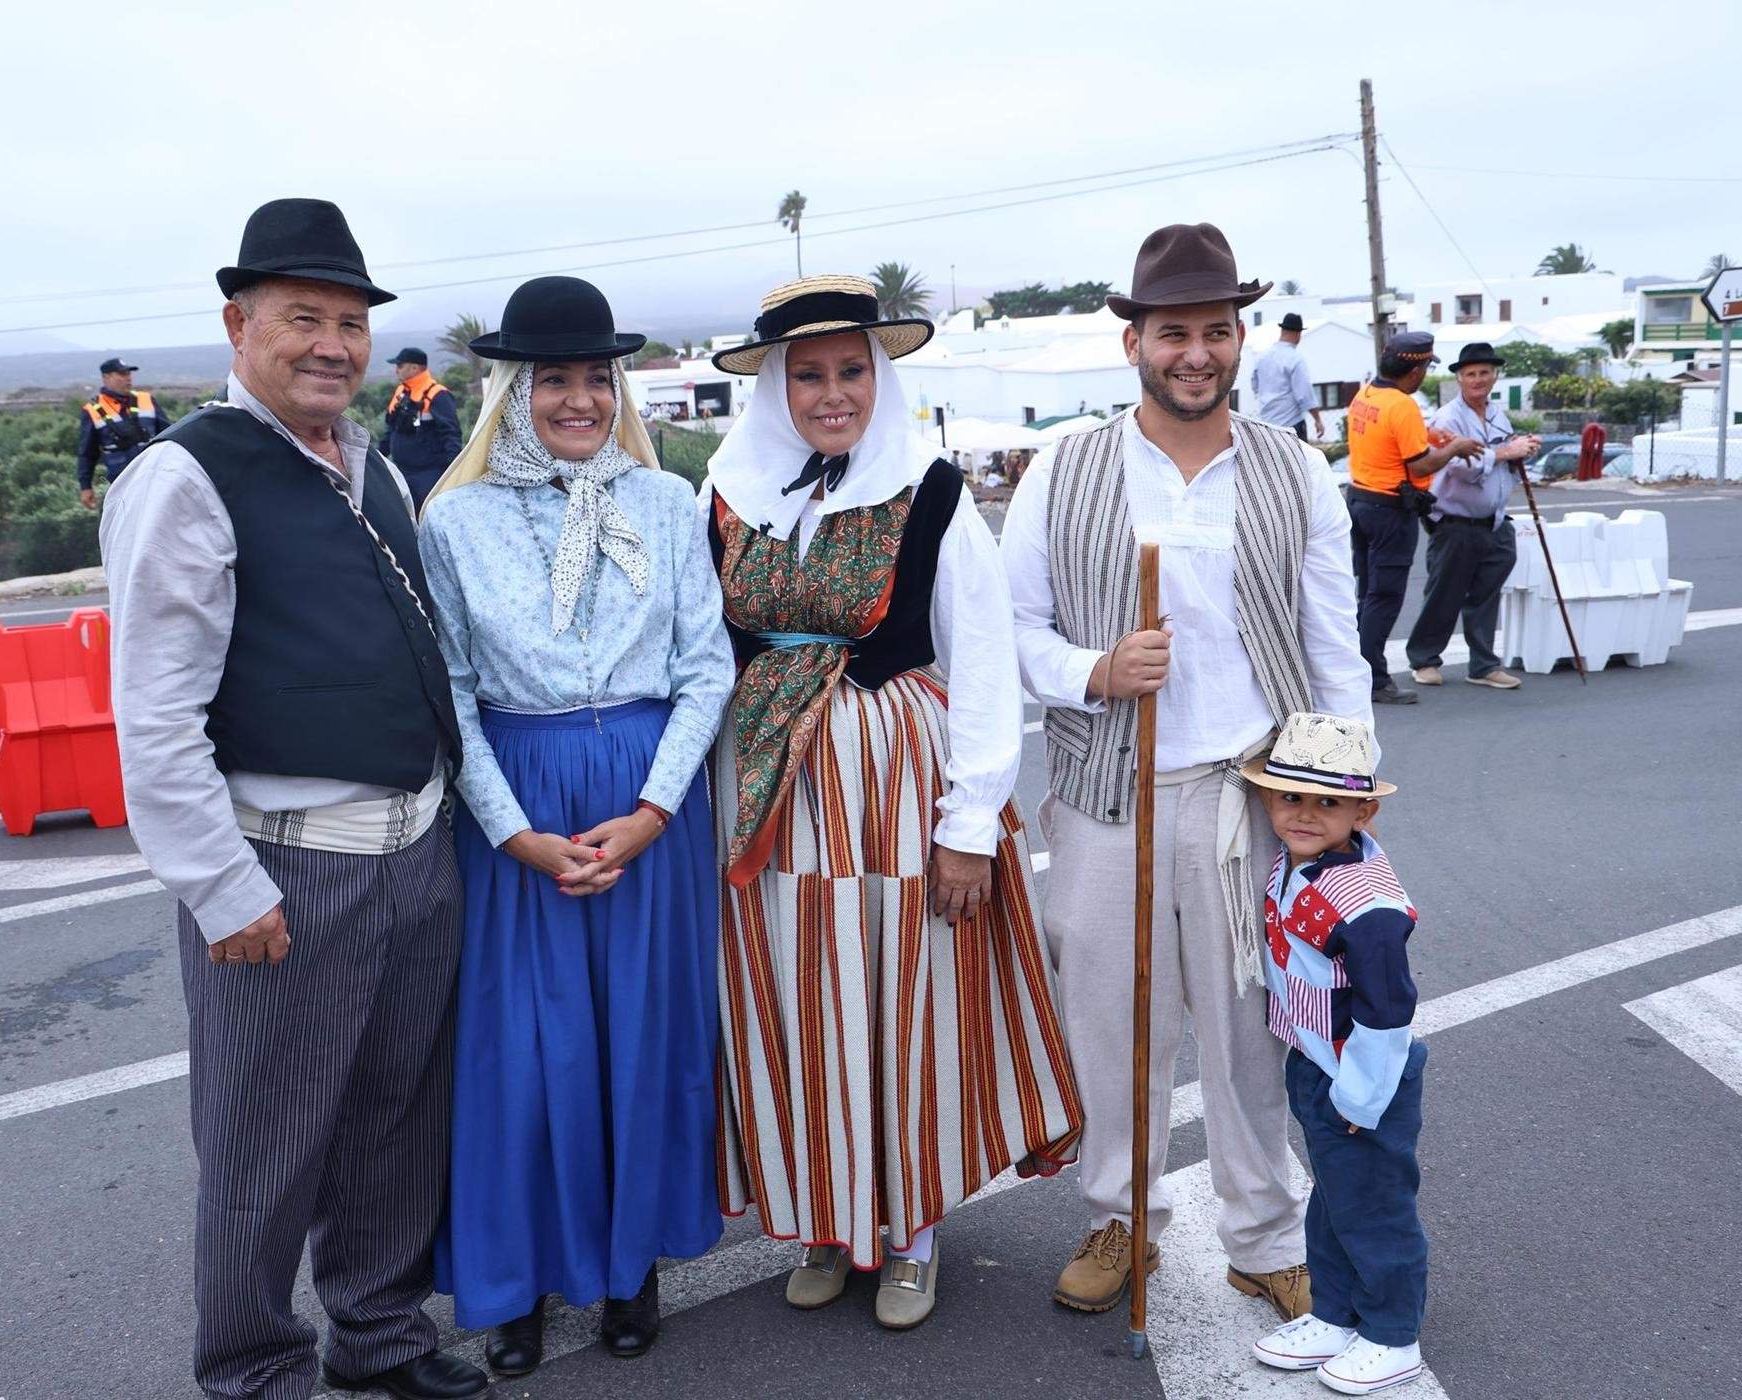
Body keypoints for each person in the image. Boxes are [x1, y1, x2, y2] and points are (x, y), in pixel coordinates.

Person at [100, 197, 485, 1400]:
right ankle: (254, 1369)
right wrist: (222, 888)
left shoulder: (363, 462)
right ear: (238, 324)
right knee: (267, 1141)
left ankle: (376, 1332)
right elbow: (155, 715)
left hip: (412, 848)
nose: (332, 344)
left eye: (350, 322)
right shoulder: (187, 473)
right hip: (286, 863)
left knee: (393, 1117)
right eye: (301, 319)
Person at [1001, 223, 1372, 1327]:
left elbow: (1333, 643)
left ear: (1239, 337)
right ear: (1134, 342)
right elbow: (1009, 628)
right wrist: (1095, 668)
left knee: (1251, 1022)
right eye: (1174, 332)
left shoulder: (1295, 469)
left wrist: (1340, 794)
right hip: (1108, 791)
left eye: (1216, 330)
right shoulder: (1061, 466)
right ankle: (1123, 1214)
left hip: (1247, 792)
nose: (1196, 352)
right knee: (1113, 1020)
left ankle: (1262, 1233)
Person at [705, 274, 1083, 1332]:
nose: (833, 393)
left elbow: (984, 657)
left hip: (894, 794)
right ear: (776, 385)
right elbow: (705, 652)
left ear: (881, 375)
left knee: (903, 999)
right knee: (799, 999)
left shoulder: (931, 488)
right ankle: (828, 1219)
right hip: (773, 799)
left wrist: (969, 824)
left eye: (852, 370)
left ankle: (910, 1231)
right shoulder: (729, 493)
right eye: (810, 373)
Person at [416, 276, 734, 1377]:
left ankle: (626, 1266)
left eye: (596, 377)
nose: (579, 398)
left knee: (641, 1035)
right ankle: (516, 1283)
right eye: (554, 377)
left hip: (648, 796)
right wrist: (510, 830)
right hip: (520, 797)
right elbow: (450, 688)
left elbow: (706, 667)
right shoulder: (451, 520)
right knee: (523, 1049)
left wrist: (654, 810)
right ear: (512, 389)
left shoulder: (664, 502)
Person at [1240, 713, 1428, 1396]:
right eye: (1289, 796)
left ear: (1363, 811)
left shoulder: (1365, 907)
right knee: (1333, 1197)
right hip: (1317, 1061)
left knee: (1374, 1206)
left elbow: (1387, 1013)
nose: (1303, 814)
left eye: (1327, 802)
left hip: (1359, 1076)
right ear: (1266, 799)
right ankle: (1335, 1312)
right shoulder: (1299, 863)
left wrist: (1359, 1098)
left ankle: (1390, 1334)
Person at [1344, 332, 1482, 706]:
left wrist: (1430, 434)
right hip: (1389, 509)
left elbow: (1391, 439)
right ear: (1417, 368)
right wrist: (1454, 446)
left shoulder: (1367, 395)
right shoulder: (1401, 405)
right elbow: (1420, 463)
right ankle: (1373, 679)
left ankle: (1355, 672)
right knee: (1384, 598)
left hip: (1360, 500)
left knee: (1367, 594)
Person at [1406, 343, 1539, 692]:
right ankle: (1425, 659)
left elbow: (1503, 454)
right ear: (1460, 378)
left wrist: (1519, 449)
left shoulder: (1497, 413)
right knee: (1445, 593)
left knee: (1486, 593)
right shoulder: (1448, 418)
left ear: (1495, 376)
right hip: (1454, 521)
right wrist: (1504, 452)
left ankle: (1483, 664)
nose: (1478, 379)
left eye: (1484, 372)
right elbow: (1459, 466)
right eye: (1470, 374)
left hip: (1493, 520)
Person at [77, 356, 170, 508]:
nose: (128, 378)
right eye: (122, 374)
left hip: (156, 478)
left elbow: (169, 434)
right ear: (106, 377)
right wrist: (85, 486)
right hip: (122, 484)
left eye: (129, 373)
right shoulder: (92, 410)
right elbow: (87, 453)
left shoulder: (146, 399)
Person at [383, 347, 463, 501]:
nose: (396, 370)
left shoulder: (438, 394)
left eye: (400, 366)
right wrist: (377, 457)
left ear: (414, 368)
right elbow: (391, 429)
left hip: (429, 476)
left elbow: (452, 435)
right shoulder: (401, 391)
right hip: (400, 472)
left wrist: (450, 474)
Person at [1250, 313, 1325, 442]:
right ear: (1298, 334)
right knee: (1296, 462)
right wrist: (1317, 419)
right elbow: (1304, 394)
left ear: (1282, 331)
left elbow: (1255, 386)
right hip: (1291, 425)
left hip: (1266, 424)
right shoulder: (1295, 359)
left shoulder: (1262, 357)